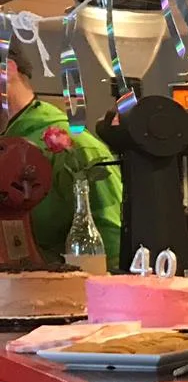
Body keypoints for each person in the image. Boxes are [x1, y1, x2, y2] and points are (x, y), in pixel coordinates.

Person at [3, 46, 122, 266]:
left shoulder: (75, 146)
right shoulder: (6, 145)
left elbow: (112, 244)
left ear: (6, 70)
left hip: (68, 285)